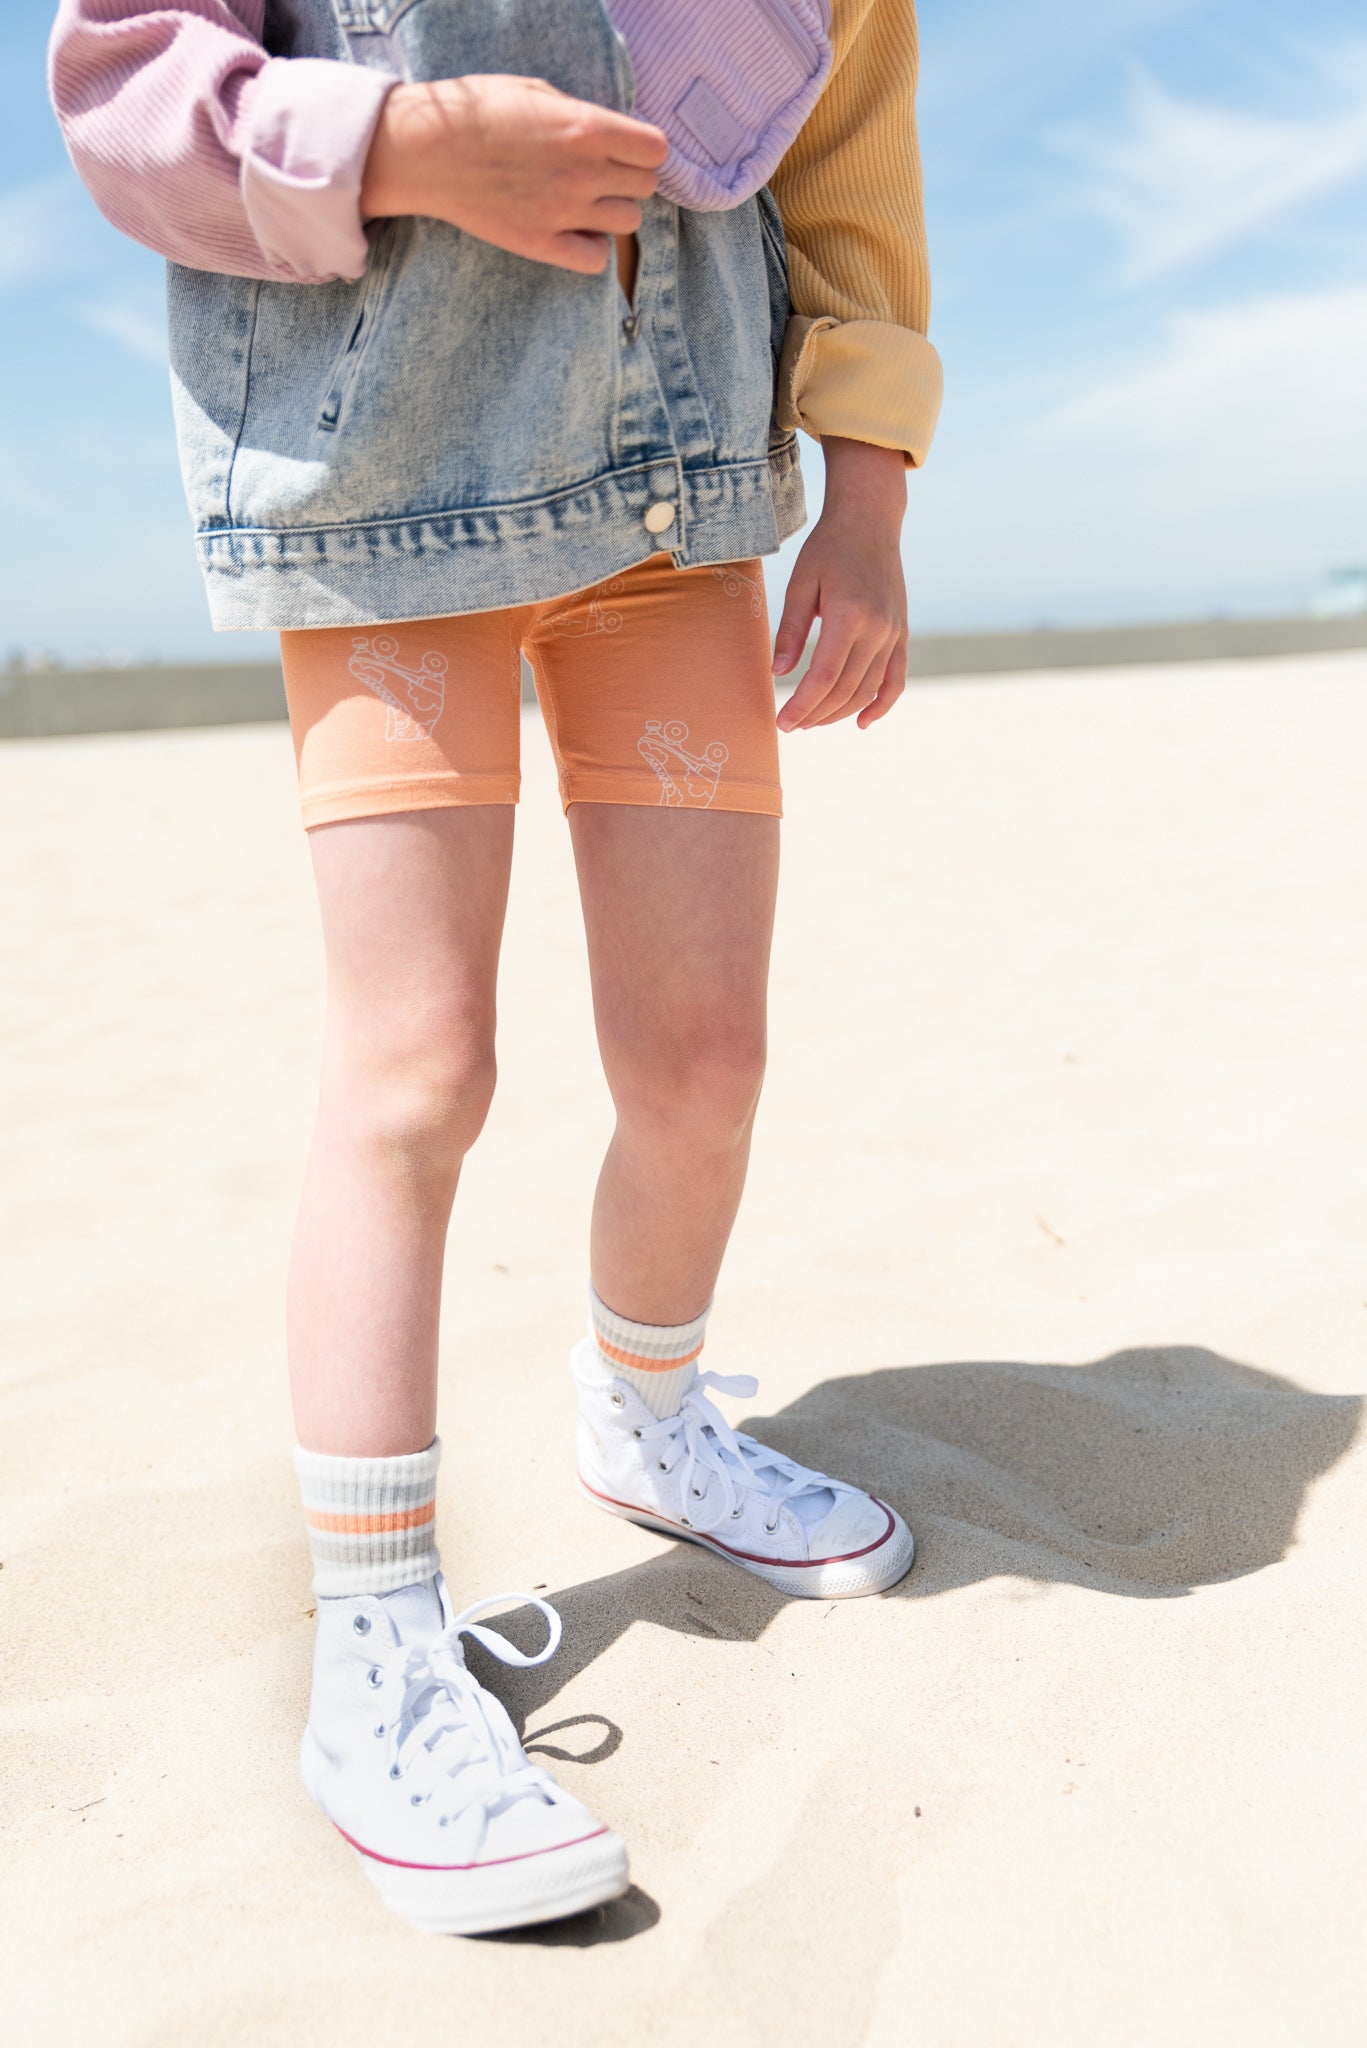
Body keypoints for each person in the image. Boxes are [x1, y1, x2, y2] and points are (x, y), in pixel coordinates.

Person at [50, 0, 942, 1935]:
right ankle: (373, 1645)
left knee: (704, 1062)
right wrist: (399, 147)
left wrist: (863, 498)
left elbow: (852, 134)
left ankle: (648, 1411)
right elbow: (122, 92)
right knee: (419, 1072)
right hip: (381, 503)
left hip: (672, 507)